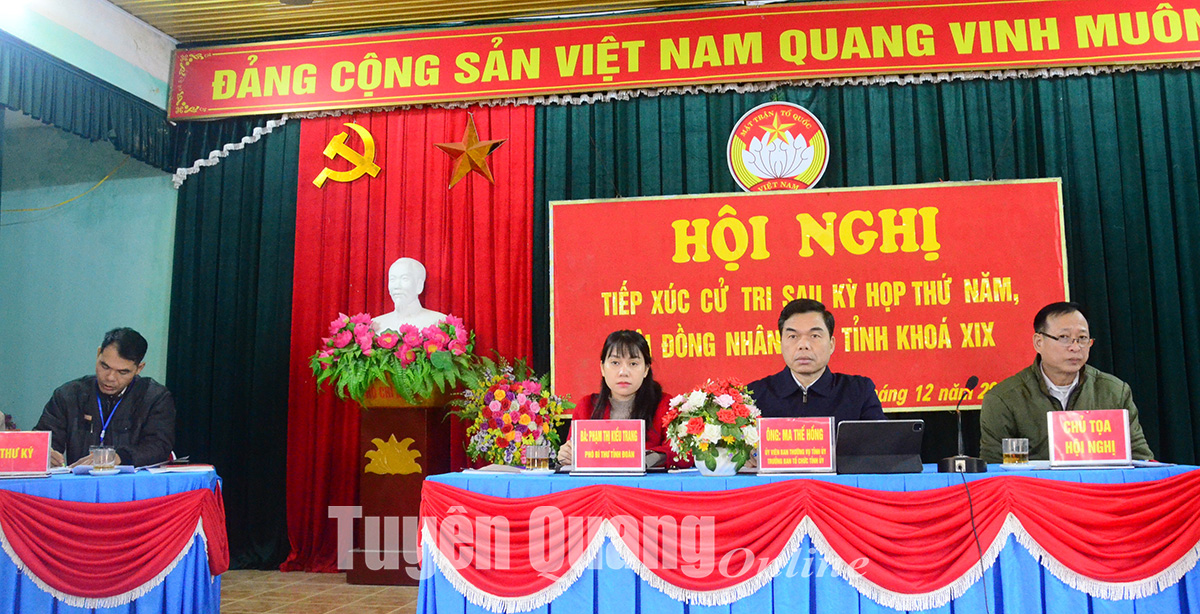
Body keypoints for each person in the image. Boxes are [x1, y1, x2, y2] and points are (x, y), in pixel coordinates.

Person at [980, 302, 1153, 463]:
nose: (1075, 347)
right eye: (1064, 337)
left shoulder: (1114, 392)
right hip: (1035, 486)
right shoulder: (1004, 399)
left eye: (1082, 338)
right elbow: (994, 470)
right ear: (1039, 342)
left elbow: (1141, 459)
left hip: (1099, 485)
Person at [35, 328, 175, 467]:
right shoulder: (69, 395)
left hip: (130, 480)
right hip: (80, 479)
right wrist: (43, 452)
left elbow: (159, 446)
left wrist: (119, 457)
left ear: (139, 369)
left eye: (122, 372)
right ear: (98, 354)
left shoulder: (154, 398)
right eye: (105, 366)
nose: (110, 377)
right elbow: (41, 438)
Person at [748, 299, 885, 422]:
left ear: (831, 344)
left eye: (814, 336)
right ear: (781, 344)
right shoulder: (755, 396)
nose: (803, 345)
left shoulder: (859, 392)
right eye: (793, 336)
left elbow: (881, 440)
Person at [557, 330, 675, 467]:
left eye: (633, 364)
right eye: (615, 363)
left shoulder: (664, 405)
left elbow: (680, 452)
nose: (623, 372)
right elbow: (573, 451)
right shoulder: (586, 407)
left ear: (646, 370)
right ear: (602, 368)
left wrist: (649, 459)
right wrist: (566, 456)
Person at [371, 257, 447, 332]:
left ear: (419, 285)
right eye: (392, 279)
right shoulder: (376, 324)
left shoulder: (439, 322)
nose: (396, 286)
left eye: (404, 279)